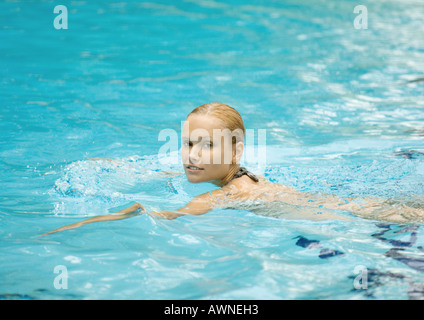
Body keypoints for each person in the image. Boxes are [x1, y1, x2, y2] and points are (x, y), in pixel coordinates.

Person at [41, 103, 424, 236]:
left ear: (235, 150)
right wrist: (109, 165)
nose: (192, 155)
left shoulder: (227, 194)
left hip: (357, 212)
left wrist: (101, 219)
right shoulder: (231, 176)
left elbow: (167, 215)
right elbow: (163, 176)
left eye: (206, 146)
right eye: (188, 143)